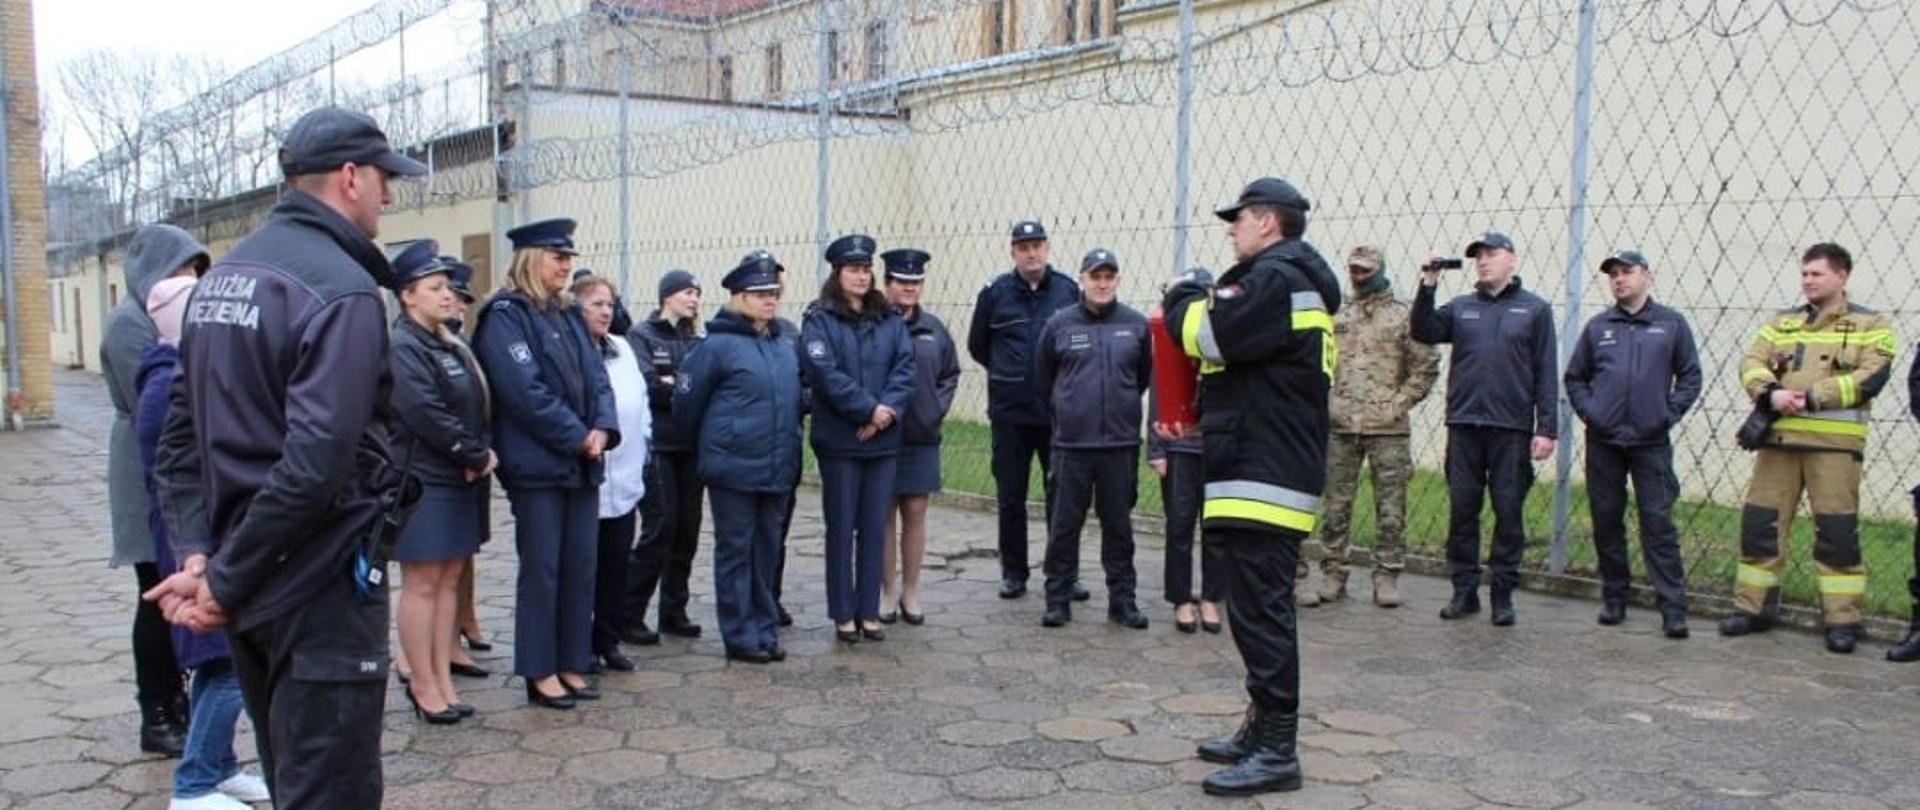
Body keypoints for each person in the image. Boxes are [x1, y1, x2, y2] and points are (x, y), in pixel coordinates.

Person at [149, 106, 426, 808]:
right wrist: (219, 580)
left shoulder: (224, 277)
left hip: (252, 582)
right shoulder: (341, 289)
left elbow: (179, 445)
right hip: (318, 583)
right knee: (329, 791)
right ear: (349, 177)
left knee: (292, 784)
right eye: (385, 179)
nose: (388, 197)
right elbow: (314, 465)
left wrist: (199, 555)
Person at [1163, 177, 1339, 796]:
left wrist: (1185, 294)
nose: (1232, 231)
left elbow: (1204, 334)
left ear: (1266, 221)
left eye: (1238, 219)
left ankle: (1278, 751)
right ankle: (1261, 731)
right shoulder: (1290, 282)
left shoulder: (1273, 280)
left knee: (1262, 612)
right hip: (1260, 465)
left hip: (1267, 473)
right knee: (1253, 609)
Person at [135, 273, 273, 810]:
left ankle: (218, 767)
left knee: (222, 659)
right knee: (225, 663)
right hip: (193, 544)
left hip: (208, 535)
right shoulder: (169, 378)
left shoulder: (186, 370)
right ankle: (192, 785)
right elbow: (175, 463)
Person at [471, 217, 621, 708]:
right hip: (538, 465)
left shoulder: (566, 313)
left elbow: (598, 377)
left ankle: (571, 660)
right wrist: (577, 436)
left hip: (582, 463)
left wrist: (602, 427)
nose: (565, 266)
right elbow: (524, 392)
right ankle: (540, 670)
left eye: (568, 258)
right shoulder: (506, 316)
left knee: (580, 567)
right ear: (532, 259)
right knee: (543, 570)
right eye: (558, 258)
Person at [1721, 242, 1894, 654]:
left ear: (1841, 276)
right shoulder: (1781, 322)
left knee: (1836, 534)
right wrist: (1771, 393)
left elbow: (1872, 376)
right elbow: (1750, 362)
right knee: (1761, 527)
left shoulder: (1872, 323)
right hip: (1778, 443)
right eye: (1804, 273)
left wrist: (1815, 396)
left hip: (1833, 448)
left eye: (1816, 274)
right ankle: (1752, 608)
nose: (1808, 281)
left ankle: (1842, 620)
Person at [1410, 232, 1559, 626]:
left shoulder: (1534, 310)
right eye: (1478, 256)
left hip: (1510, 429)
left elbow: (1546, 372)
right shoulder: (1462, 307)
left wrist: (1546, 429)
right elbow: (1423, 330)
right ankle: (1464, 591)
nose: (1484, 261)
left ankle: (1503, 595)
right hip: (1464, 426)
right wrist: (1428, 284)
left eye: (1492, 254)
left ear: (1512, 259)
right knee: (1463, 511)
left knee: (1508, 513)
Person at [103, 223, 206, 757]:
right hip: (145, 471)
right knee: (156, 593)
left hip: (171, 464)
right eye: (182, 267)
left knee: (173, 591)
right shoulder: (130, 324)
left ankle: (178, 702)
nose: (189, 278)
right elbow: (154, 399)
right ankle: (159, 712)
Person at [1563, 250, 1701, 638]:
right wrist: (1592, 412)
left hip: (1650, 442)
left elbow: (1690, 377)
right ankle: (1614, 598)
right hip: (1604, 442)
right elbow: (1575, 378)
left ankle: (1672, 608)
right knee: (1606, 521)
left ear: (1646, 276)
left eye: (1626, 272)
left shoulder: (1671, 325)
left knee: (1658, 524)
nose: (1619, 279)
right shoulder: (1598, 327)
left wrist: (1665, 414)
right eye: (1613, 275)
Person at [674, 252, 804, 663]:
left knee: (766, 552)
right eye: (760, 293)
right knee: (735, 551)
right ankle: (740, 634)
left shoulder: (782, 343)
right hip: (733, 468)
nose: (770, 300)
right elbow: (687, 406)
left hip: (776, 465)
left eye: (774, 293)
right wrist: (716, 448)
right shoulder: (716, 346)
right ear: (739, 297)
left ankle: (765, 628)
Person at [386, 242, 494, 723]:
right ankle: (422, 683)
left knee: (449, 578)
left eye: (446, 287)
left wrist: (476, 453)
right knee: (423, 582)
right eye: (433, 288)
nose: (446, 295)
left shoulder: (443, 340)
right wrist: (473, 453)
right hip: (424, 479)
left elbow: (473, 402)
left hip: (458, 475)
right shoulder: (403, 345)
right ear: (407, 296)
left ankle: (443, 679)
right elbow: (423, 411)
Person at [1297, 247, 1439, 608]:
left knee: (1390, 509)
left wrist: (1399, 403)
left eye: (1365, 270)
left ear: (1379, 270)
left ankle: (1387, 575)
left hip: (1388, 428)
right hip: (1341, 424)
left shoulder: (1404, 314)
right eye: (1354, 270)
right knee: (1335, 506)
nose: (1358, 276)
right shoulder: (1338, 314)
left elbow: (1425, 365)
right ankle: (1334, 571)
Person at [802, 234, 916, 643]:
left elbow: (905, 368)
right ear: (837, 273)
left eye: (866, 269)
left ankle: (869, 610)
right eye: (853, 269)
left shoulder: (889, 320)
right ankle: (843, 614)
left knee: (874, 527)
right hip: (840, 441)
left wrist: (884, 414)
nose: (862, 277)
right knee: (841, 527)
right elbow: (824, 373)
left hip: (882, 441)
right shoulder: (819, 320)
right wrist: (867, 410)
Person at [968, 220, 1086, 601]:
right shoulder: (995, 294)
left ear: (1047, 248)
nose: (1031, 253)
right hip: (1010, 413)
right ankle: (1014, 572)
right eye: (1023, 247)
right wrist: (1010, 375)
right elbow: (978, 346)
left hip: (1056, 414)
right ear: (1013, 252)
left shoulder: (1068, 291)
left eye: (1037, 246)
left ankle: (1063, 573)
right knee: (1010, 496)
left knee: (1062, 498)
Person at [1034, 248, 1152, 630]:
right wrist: (1070, 412)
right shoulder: (1059, 325)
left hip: (1119, 445)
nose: (1102, 284)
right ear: (1081, 279)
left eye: (1108, 277)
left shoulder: (1136, 325)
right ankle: (1057, 599)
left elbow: (1141, 378)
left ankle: (1123, 601)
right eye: (1095, 277)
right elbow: (1044, 380)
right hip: (1072, 446)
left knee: (1119, 528)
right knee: (1064, 526)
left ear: (1117, 280)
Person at [623, 268, 707, 645]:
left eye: (697, 294)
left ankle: (675, 609)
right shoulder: (642, 336)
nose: (693, 300)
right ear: (667, 296)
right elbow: (648, 386)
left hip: (690, 445)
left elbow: (701, 384)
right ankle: (629, 612)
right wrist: (677, 386)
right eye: (687, 292)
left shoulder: (696, 340)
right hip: (657, 445)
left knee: (687, 529)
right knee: (661, 525)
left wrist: (674, 382)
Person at [574, 274, 651, 673]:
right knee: (585, 568)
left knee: (616, 566)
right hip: (588, 477)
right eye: (596, 305)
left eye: (609, 304)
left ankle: (608, 639)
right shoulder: (571, 349)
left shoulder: (622, 347)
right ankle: (580, 644)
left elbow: (641, 400)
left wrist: (645, 442)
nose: (605, 312)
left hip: (626, 477)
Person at [878, 248, 958, 626]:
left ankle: (911, 592)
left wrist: (933, 410)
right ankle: (887, 592)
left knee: (914, 513)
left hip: (921, 437)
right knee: (883, 515)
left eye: (916, 282)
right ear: (887, 284)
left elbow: (950, 374)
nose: (910, 288)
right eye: (902, 282)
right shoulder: (875, 325)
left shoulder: (934, 329)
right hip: (881, 436)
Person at [1150, 268, 1223, 634]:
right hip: (1180, 448)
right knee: (1179, 525)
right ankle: (1180, 599)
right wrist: (1157, 449)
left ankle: (1211, 597)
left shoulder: (1223, 334)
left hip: (1218, 447)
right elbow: (1158, 397)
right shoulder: (1168, 335)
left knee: (1217, 528)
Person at [445, 263, 496, 660]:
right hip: (448, 461)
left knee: (467, 548)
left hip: (474, 460)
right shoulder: (422, 344)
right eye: (453, 296)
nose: (460, 305)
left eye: (464, 300)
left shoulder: (462, 342)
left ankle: (465, 619)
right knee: (438, 564)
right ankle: (438, 643)